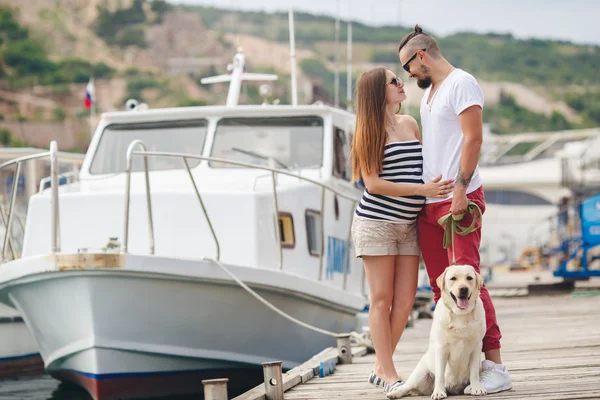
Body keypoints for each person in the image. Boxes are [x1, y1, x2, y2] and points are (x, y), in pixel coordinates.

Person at [397, 24, 513, 394]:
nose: (408, 75)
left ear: (421, 56)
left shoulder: (462, 83)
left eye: (407, 67)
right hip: (431, 203)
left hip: (458, 199)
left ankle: (495, 367)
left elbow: (473, 138)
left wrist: (461, 189)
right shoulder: (429, 94)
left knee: (470, 281)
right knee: (440, 287)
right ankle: (448, 372)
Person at [350, 67, 454, 397]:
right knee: (381, 301)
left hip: (408, 225)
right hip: (376, 223)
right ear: (378, 93)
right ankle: (389, 371)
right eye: (394, 82)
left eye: (400, 79)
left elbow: (426, 167)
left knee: (406, 301)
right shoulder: (368, 131)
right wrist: (422, 191)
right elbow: (374, 184)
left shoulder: (409, 124)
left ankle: (381, 366)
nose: (402, 84)